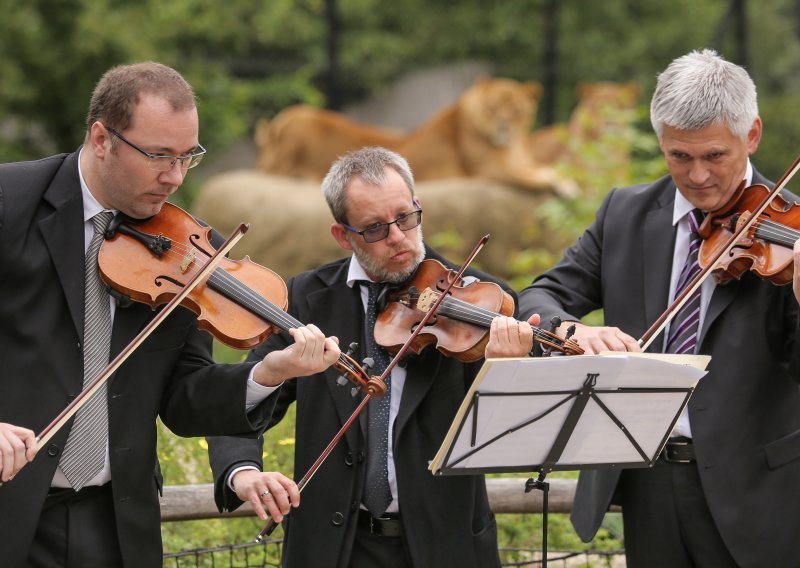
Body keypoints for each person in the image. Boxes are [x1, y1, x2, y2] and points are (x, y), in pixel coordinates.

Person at [0, 61, 341, 567]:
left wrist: (267, 374)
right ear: (101, 138)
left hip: (114, 524)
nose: (174, 177)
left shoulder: (190, 252)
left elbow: (184, 397)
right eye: (159, 156)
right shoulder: (10, 202)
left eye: (189, 157)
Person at [518, 48, 800, 567]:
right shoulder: (624, 213)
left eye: (715, 155)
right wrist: (572, 332)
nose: (696, 177)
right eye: (679, 156)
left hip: (756, 492)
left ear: (752, 135)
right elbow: (539, 297)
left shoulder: (788, 237)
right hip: (647, 483)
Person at [207, 146, 538, 568]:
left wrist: (507, 370)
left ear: (419, 207)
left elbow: (518, 426)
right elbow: (248, 391)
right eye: (375, 229)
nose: (398, 237)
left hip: (445, 544)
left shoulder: (480, 299)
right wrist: (243, 471)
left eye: (405, 217)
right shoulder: (310, 299)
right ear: (343, 236)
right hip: (335, 547)